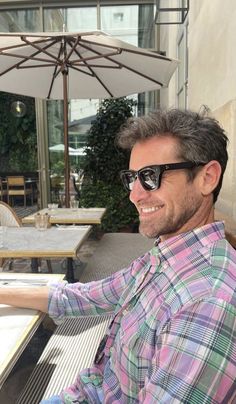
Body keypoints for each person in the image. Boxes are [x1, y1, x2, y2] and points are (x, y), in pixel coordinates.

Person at [0, 108, 235, 403]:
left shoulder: (208, 302)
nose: (134, 194)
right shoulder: (166, 258)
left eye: (150, 176)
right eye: (132, 177)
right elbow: (83, 297)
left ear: (207, 177)